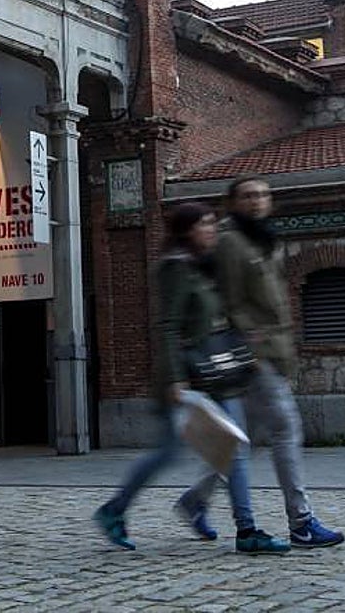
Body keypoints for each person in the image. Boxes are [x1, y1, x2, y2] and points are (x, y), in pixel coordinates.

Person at [94, 203, 284, 553]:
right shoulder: (176, 268)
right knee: (168, 453)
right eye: (203, 225)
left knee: (235, 447)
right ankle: (113, 510)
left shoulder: (206, 267)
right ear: (185, 231)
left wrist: (247, 348)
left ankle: (247, 531)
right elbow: (167, 326)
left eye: (213, 223)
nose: (211, 230)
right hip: (184, 380)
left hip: (217, 375)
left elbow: (219, 318)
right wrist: (175, 380)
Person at [218, 175, 345, 548]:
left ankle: (195, 501)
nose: (257, 200)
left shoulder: (264, 238)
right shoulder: (231, 242)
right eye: (248, 195)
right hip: (256, 354)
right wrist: (251, 350)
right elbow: (230, 300)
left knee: (243, 436)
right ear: (233, 203)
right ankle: (301, 522)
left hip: (276, 350)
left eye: (262, 194)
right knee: (285, 429)